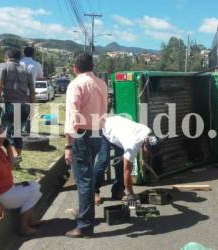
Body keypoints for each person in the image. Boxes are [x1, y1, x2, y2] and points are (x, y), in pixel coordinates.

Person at [64, 52, 107, 238]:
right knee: (87, 178)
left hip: (82, 134)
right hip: (97, 133)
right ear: (92, 66)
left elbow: (73, 117)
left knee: (84, 181)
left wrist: (68, 145)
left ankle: (84, 225)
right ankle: (85, 214)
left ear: (75, 68)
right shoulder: (101, 84)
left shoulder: (76, 84)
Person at [0, 122, 42, 236]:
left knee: (35, 186)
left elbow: (11, 165)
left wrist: (8, 147)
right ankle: (24, 227)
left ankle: (29, 221)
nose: (1, 139)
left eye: (3, 136)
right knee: (34, 192)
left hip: (5, 191)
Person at [94, 115, 161, 208]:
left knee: (120, 163)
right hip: (103, 129)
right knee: (103, 160)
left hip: (118, 132)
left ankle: (117, 191)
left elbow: (145, 147)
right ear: (145, 143)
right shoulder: (132, 145)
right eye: (148, 151)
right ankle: (94, 191)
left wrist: (144, 160)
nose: (148, 153)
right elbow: (127, 171)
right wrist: (131, 194)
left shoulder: (148, 133)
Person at [0, 48, 35, 165]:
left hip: (9, 104)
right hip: (24, 106)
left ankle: (14, 155)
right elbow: (32, 91)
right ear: (20, 58)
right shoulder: (27, 70)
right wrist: (32, 108)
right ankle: (16, 160)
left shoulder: (3, 66)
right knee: (17, 133)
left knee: (6, 133)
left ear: (6, 57)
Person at [20, 46, 44, 134]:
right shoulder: (36, 64)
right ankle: (27, 129)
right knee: (30, 111)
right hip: (30, 92)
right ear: (33, 54)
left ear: (23, 53)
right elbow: (40, 76)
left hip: (17, 92)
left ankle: (17, 129)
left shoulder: (19, 62)